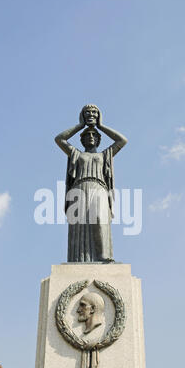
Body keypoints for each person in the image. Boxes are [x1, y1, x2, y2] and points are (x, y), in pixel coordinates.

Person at [55, 104, 127, 262]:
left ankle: (104, 255)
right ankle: (78, 257)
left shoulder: (105, 154)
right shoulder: (76, 153)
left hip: (99, 187)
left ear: (99, 139)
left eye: (94, 136)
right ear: (82, 139)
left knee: (100, 220)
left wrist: (100, 126)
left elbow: (122, 140)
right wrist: (80, 125)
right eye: (87, 136)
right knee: (79, 225)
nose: (91, 137)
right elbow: (59, 139)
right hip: (79, 188)